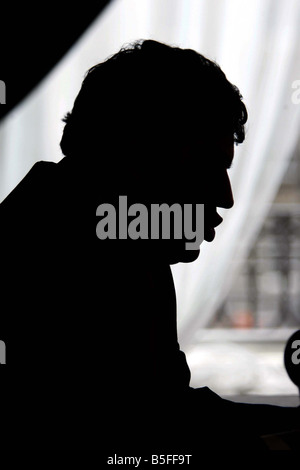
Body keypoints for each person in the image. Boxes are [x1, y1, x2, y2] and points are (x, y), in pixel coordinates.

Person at [0, 39, 298, 450]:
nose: (226, 196)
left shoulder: (117, 246)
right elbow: (142, 438)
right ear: (140, 157)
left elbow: (165, 413)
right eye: (208, 166)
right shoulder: (69, 259)